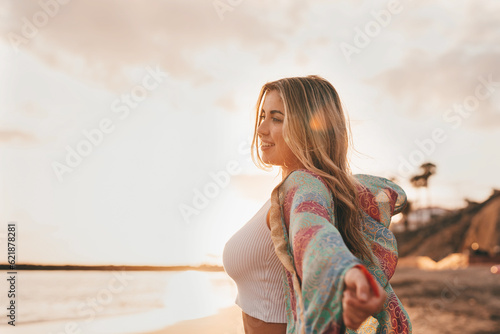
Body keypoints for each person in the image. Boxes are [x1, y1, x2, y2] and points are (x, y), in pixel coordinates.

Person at [223, 75, 412, 333]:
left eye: (277, 118)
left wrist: (344, 273)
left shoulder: (303, 186)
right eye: (262, 116)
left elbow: (313, 231)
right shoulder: (289, 192)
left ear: (308, 128)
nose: (261, 129)